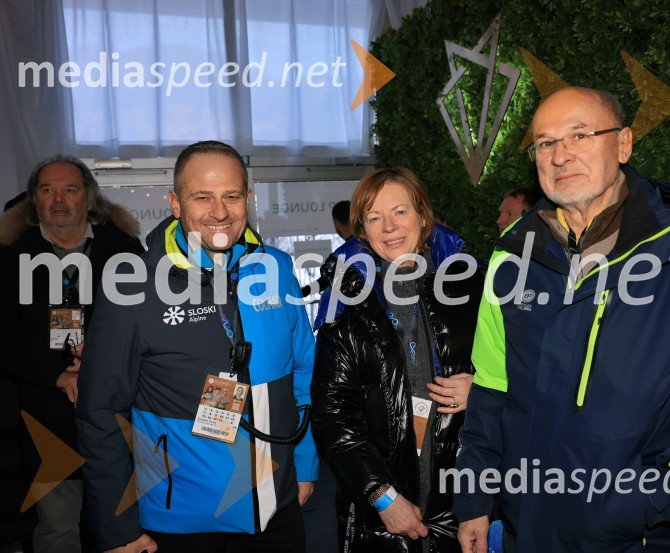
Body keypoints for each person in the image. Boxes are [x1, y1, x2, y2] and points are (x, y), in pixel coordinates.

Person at [453, 87, 670, 552]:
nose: (560, 155)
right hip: (524, 529)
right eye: (545, 143)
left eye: (579, 135)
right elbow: (492, 390)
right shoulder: (511, 255)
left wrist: (660, 494)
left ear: (624, 144)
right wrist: (474, 496)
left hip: (634, 536)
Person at [75, 141, 318, 552]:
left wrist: (306, 465)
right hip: (182, 524)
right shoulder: (131, 286)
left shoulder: (276, 268)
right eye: (202, 197)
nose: (219, 212)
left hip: (278, 509)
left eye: (231, 196)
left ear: (248, 198)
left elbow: (302, 373)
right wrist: (117, 528)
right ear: (175, 203)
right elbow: (99, 411)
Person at [311, 167, 484, 552]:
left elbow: (522, 375)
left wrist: (484, 391)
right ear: (362, 231)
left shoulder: (474, 287)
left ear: (423, 216)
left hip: (465, 504)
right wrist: (382, 497)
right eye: (375, 217)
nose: (389, 226)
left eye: (400, 212)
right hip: (380, 514)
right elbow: (331, 414)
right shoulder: (346, 303)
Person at [0, 155, 144, 553]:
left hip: (116, 412)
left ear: (89, 199)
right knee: (58, 531)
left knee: (123, 530)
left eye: (70, 190)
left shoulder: (124, 250)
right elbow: (5, 336)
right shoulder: (11, 255)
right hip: (46, 418)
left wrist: (100, 361)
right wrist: (57, 373)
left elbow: (144, 325)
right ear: (35, 200)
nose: (59, 199)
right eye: (47, 190)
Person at [301, 200, 353, 298]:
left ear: (337, 223)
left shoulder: (344, 253)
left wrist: (303, 292)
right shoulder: (371, 245)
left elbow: (326, 280)